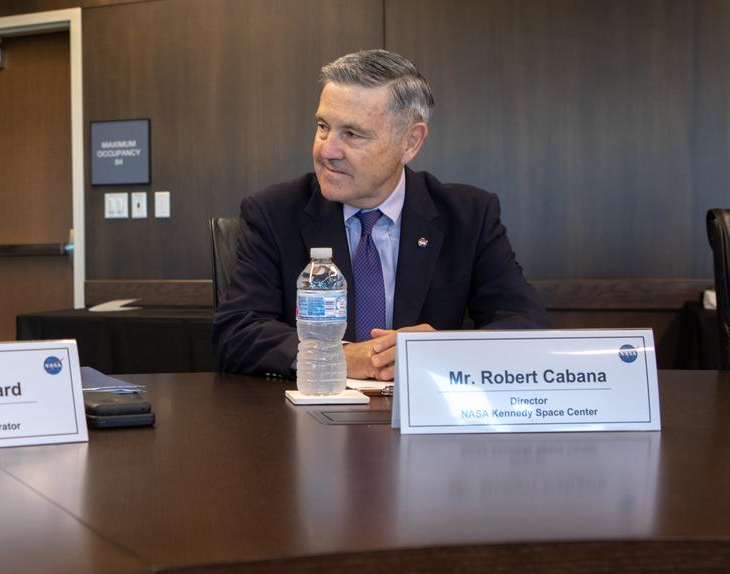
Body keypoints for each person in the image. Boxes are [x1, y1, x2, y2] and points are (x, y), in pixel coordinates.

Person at [214, 49, 550, 380]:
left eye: (352, 134)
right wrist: (337, 357)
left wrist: (443, 349)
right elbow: (238, 332)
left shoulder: (469, 216)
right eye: (323, 127)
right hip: (310, 419)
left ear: (411, 142)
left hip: (425, 421)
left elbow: (526, 323)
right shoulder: (274, 212)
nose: (327, 150)